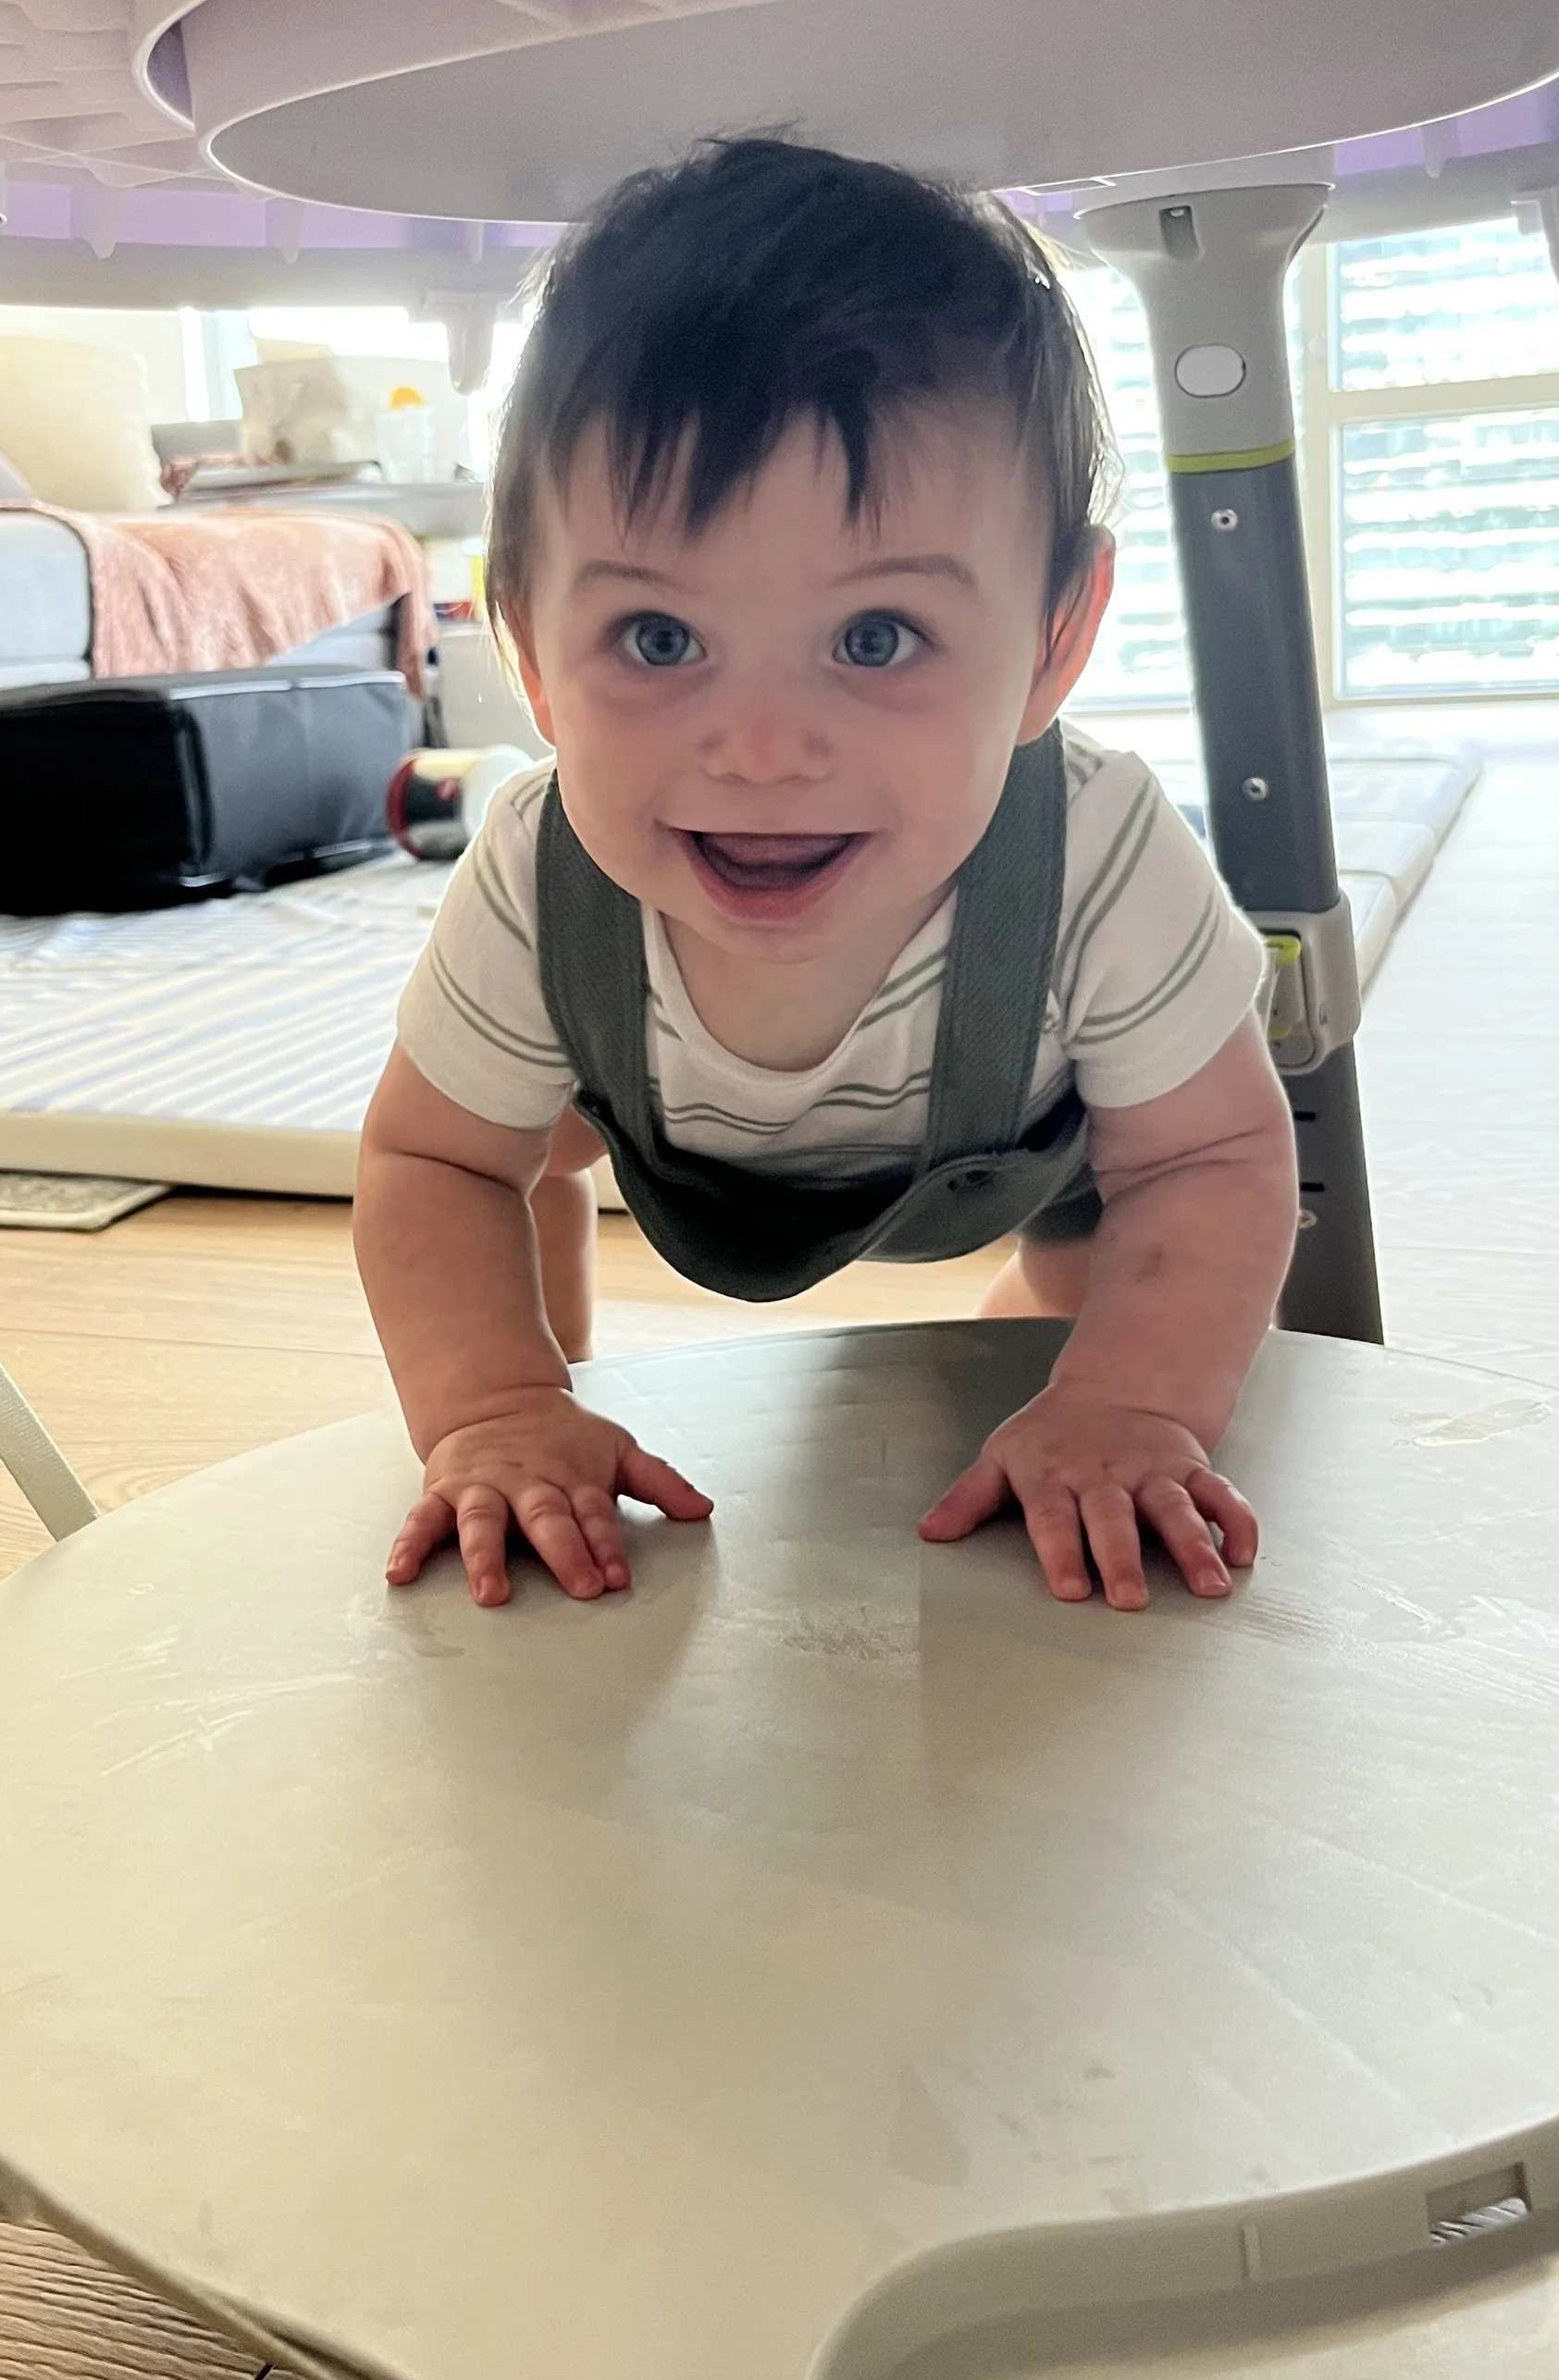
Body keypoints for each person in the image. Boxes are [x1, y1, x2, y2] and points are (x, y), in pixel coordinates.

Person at [354, 137, 1300, 1614]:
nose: (763, 751)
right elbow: (431, 1166)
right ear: (529, 646)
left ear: (1056, 638)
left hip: (1026, 1139)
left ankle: (1062, 1355)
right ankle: (551, 1385)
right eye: (660, 641)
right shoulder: (543, 877)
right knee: (508, 1160)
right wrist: (491, 1404)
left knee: (1097, 1277)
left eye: (876, 640)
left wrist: (1134, 1405)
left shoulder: (1098, 850)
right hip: (667, 1135)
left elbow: (1210, 1161)